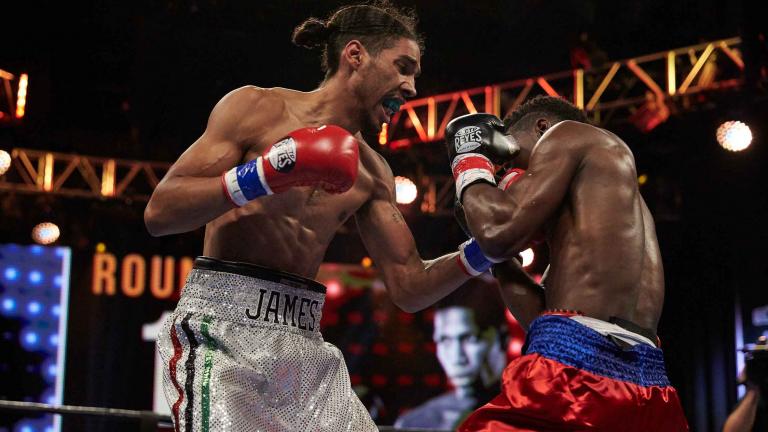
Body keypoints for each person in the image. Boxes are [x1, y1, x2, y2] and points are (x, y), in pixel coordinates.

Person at [143, 3, 501, 431]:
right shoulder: (256, 109)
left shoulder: (373, 172)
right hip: (221, 328)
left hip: (304, 343)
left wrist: (485, 253)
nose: (409, 88)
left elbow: (409, 285)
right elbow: (160, 213)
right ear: (355, 55)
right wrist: (265, 174)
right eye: (402, 67)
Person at [444, 95, 689, 431]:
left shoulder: (568, 134)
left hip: (576, 375)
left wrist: (470, 162)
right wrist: (499, 261)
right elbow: (544, 323)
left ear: (543, 127)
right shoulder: (615, 216)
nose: (515, 174)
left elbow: (497, 230)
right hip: (650, 386)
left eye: (514, 158)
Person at [394, 277, 507, 430]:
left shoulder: (533, 415)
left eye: (469, 339)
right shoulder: (415, 423)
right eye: (444, 341)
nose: (457, 358)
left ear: (502, 339)